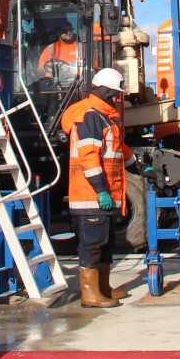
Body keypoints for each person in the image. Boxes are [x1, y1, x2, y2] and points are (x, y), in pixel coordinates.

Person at [60, 66, 137, 308]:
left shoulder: (105, 116)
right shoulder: (90, 116)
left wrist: (137, 165)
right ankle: (90, 294)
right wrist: (101, 190)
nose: (117, 98)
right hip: (92, 195)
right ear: (102, 91)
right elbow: (89, 157)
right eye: (114, 93)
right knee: (92, 245)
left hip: (105, 196)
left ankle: (103, 288)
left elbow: (116, 150)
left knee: (105, 244)